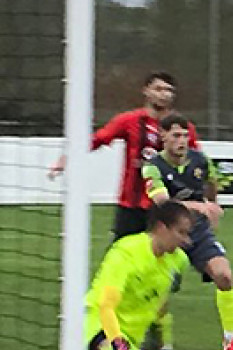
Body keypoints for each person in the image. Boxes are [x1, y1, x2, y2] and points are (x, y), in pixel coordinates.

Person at [27, 202, 193, 350]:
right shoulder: (126, 252)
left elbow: (162, 302)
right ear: (161, 228)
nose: (186, 240)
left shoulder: (178, 261)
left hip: (130, 343)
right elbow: (106, 305)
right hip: (99, 326)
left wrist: (163, 339)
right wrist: (120, 346)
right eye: (181, 232)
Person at [142, 114, 233, 350]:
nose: (182, 141)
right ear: (163, 137)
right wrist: (199, 206)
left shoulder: (200, 161)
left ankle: (231, 340)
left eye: (185, 135)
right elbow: (162, 203)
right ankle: (162, 348)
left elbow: (211, 183)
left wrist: (212, 205)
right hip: (168, 235)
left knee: (224, 275)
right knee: (162, 293)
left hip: (199, 231)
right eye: (176, 135)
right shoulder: (152, 166)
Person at [49, 71, 200, 240]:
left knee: (164, 257)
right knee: (119, 256)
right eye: (158, 89)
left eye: (168, 90)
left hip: (166, 205)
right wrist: (69, 157)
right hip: (132, 204)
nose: (163, 94)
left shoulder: (184, 128)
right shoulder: (130, 120)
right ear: (146, 91)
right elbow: (98, 138)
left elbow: (197, 160)